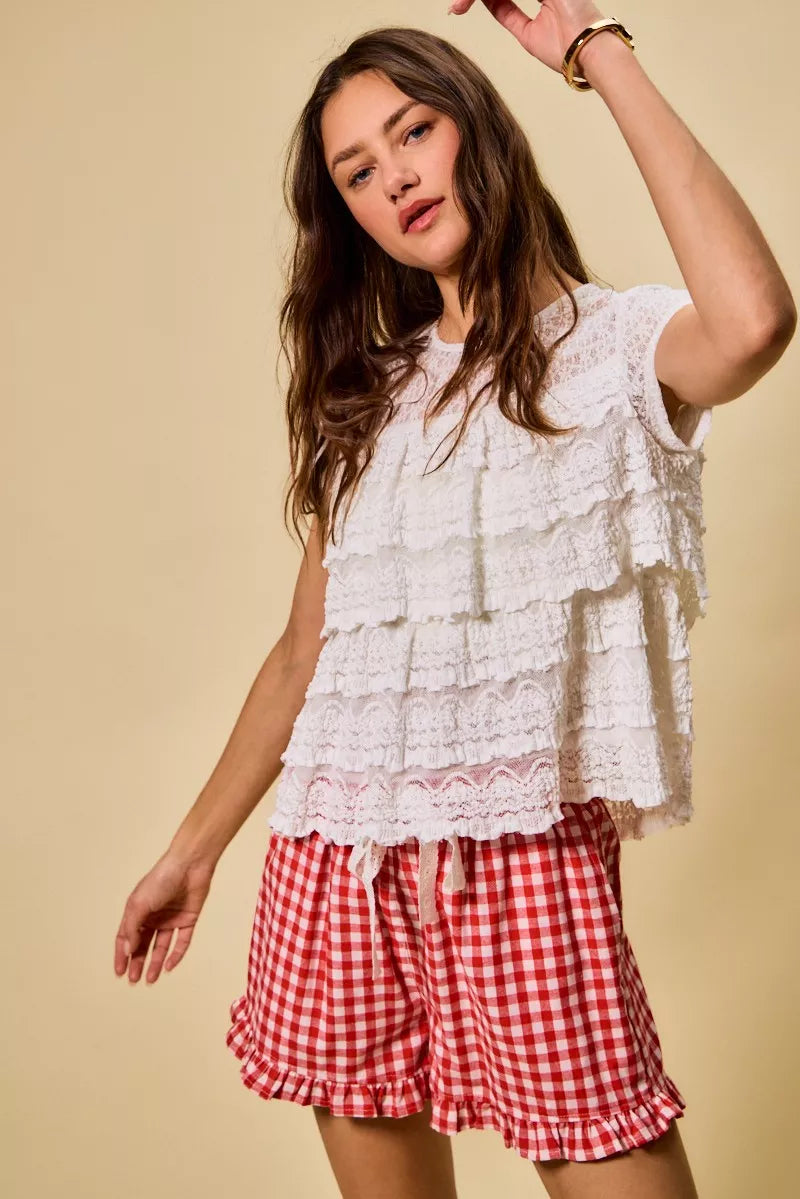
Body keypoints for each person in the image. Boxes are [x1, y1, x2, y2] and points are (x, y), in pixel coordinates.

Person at [114, 7, 796, 1198]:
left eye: (412, 131)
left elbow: (752, 321)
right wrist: (192, 849)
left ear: (477, 128)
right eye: (356, 173)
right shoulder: (371, 399)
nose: (394, 178)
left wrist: (594, 49)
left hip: (528, 863)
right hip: (336, 863)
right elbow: (305, 652)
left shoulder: (616, 349)